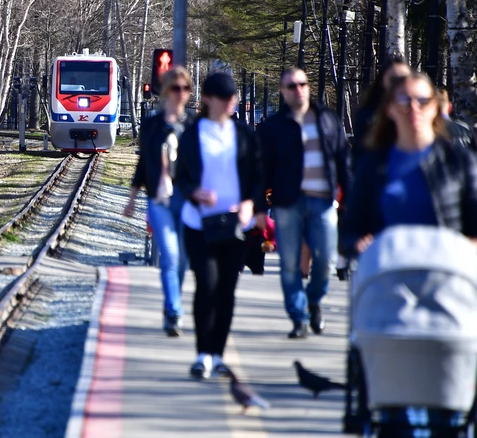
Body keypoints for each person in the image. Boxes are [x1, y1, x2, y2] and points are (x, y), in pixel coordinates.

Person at [176, 72, 263, 378]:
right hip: (199, 224)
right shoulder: (193, 132)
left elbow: (256, 174)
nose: (231, 102)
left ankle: (218, 354)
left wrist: (252, 204)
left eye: (234, 97)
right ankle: (203, 354)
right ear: (208, 100)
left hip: (236, 224)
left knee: (227, 289)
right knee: (207, 284)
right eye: (225, 97)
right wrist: (194, 192)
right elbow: (180, 176)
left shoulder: (242, 133)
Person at [255, 68, 351, 339]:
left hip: (323, 202)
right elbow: (261, 171)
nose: (297, 89)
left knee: (327, 259)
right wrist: (260, 208)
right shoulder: (273, 127)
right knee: (290, 264)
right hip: (288, 203)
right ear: (283, 91)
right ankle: (298, 318)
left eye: (302, 84)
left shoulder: (328, 120)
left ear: (308, 87)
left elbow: (344, 162)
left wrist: (350, 202)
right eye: (291, 85)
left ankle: (314, 299)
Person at [341, 72, 477, 254]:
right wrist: (358, 243)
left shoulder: (458, 160)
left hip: (445, 272)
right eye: (404, 100)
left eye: (423, 101)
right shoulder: (373, 164)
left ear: (435, 107)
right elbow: (349, 231)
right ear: (389, 108)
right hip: (389, 271)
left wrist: (467, 247)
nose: (414, 108)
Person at [125, 66, 196, 336]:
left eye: (185, 88)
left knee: (183, 260)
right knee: (169, 256)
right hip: (159, 198)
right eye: (175, 88)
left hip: (187, 199)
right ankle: (174, 310)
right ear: (165, 91)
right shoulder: (152, 125)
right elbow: (143, 163)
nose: (181, 93)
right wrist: (132, 198)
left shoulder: (192, 125)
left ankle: (171, 305)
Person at [351, 55, 412, 167]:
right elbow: (360, 152)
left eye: (404, 79)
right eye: (393, 79)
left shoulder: (419, 111)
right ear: (382, 81)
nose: (399, 84)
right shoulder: (368, 114)